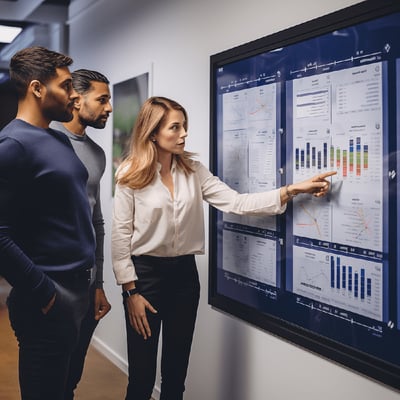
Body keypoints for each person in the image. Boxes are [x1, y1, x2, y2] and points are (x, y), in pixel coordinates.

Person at [111, 95, 336, 400]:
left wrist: (292, 189)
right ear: (153, 133)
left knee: (176, 375)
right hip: (144, 277)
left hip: (184, 278)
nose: (184, 134)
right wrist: (130, 292)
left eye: (184, 126)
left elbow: (237, 202)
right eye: (175, 128)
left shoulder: (193, 170)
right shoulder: (129, 175)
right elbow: (120, 238)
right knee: (141, 377)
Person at [0, 46, 96, 400]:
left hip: (77, 291)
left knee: (63, 391)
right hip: (49, 295)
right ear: (37, 88)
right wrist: (42, 290)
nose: (74, 95)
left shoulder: (57, 138)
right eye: (67, 86)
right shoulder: (12, 145)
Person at [50, 69, 112, 400]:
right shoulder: (45, 142)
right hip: (54, 285)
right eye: (102, 99)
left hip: (87, 286)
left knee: (71, 377)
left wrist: (98, 284)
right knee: (50, 380)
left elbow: (96, 220)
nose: (109, 107)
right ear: (76, 99)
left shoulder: (98, 155)